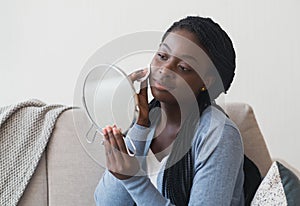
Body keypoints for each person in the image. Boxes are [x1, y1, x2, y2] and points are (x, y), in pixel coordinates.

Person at [94, 16, 245, 205]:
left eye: (183, 67)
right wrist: (140, 127)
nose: (165, 70)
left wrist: (135, 180)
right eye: (162, 56)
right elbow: (107, 203)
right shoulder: (144, 121)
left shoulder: (219, 135)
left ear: (207, 81)